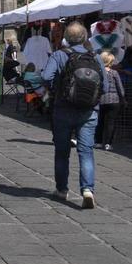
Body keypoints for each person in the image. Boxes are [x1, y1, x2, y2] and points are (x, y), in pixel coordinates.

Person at [41, 21, 101, 208]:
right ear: (85, 38)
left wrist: (56, 89)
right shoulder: (95, 57)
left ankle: (62, 190)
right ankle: (87, 190)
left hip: (63, 109)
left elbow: (45, 77)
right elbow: (105, 86)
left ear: (66, 38)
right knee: (86, 152)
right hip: (88, 111)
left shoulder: (59, 55)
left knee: (62, 152)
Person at [95, 51, 124, 150]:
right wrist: (122, 98)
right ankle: (108, 144)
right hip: (114, 99)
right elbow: (120, 87)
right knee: (111, 122)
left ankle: (98, 142)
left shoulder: (98, 72)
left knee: (100, 122)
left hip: (101, 99)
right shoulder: (114, 72)